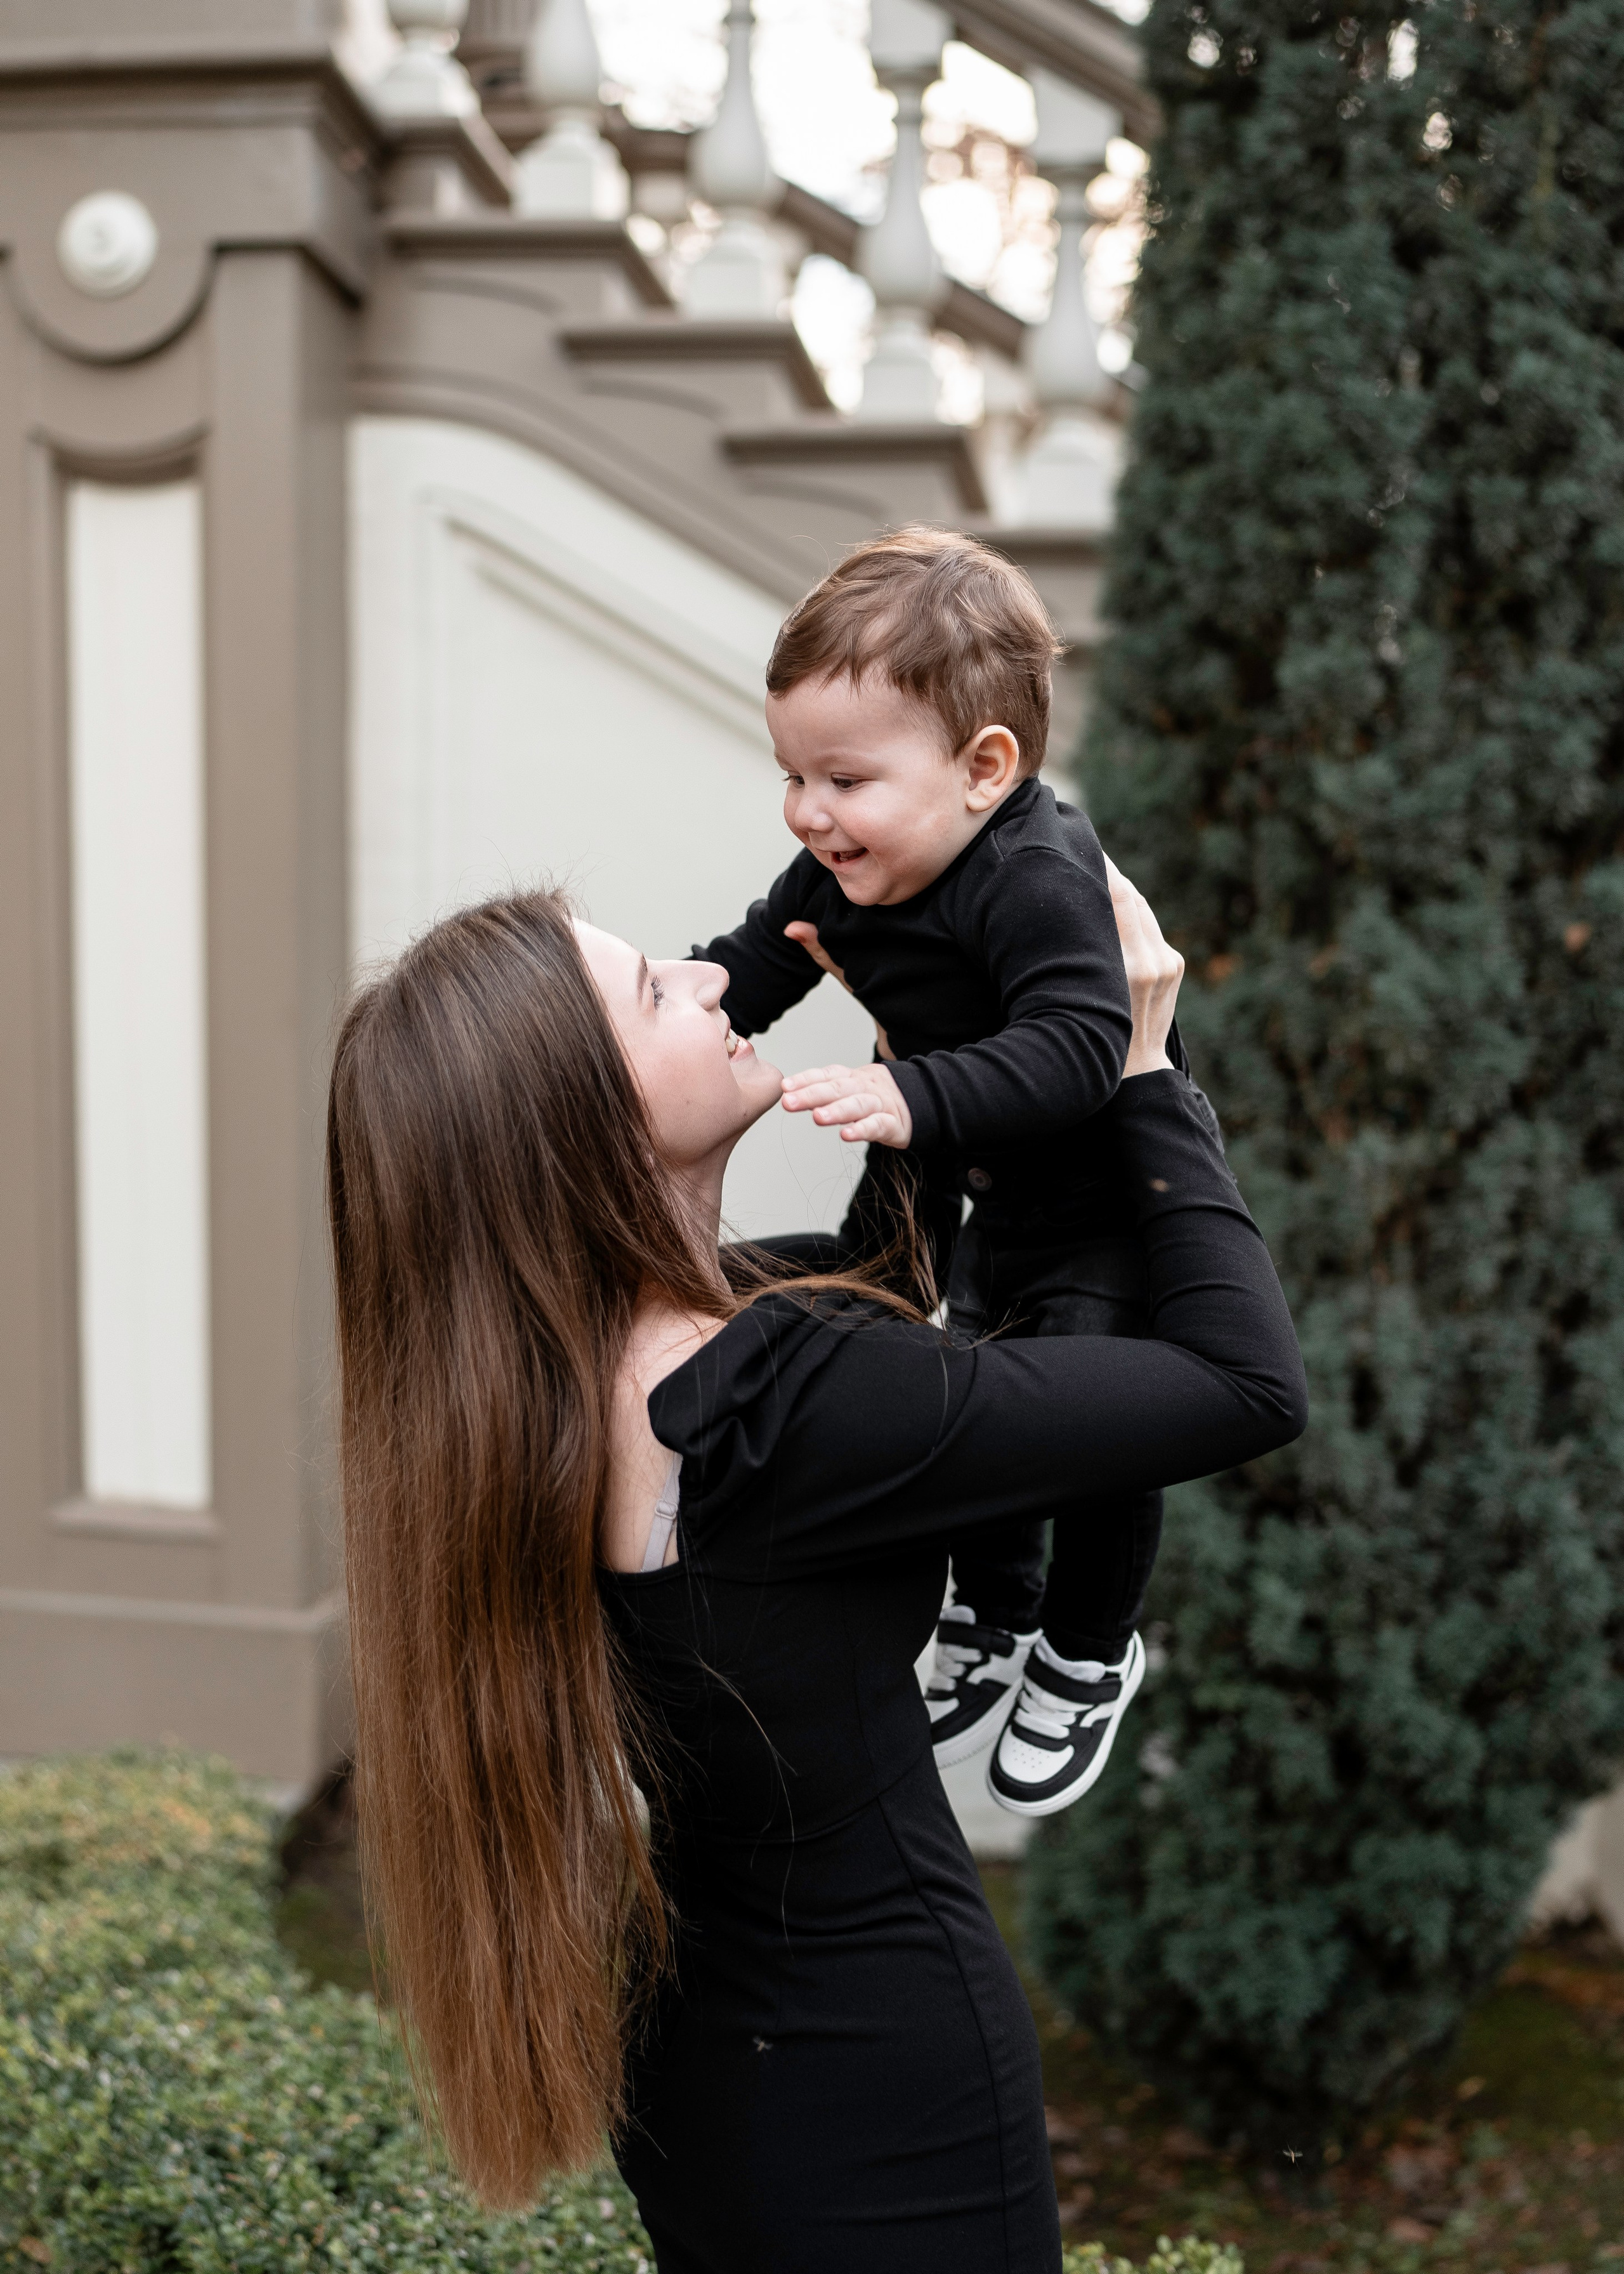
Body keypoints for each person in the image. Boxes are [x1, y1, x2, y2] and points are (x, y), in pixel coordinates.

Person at [325, 874, 1306, 2271]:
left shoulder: (568, 1387)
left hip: (715, 2045)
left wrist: (932, 1057)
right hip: (875, 2079)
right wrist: (1144, 1070)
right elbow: (1239, 1382)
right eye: (659, 992)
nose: (716, 979)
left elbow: (876, 1286)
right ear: (580, 1129)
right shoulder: (773, 1404)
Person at [695, 525, 1217, 1816]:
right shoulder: (842, 867)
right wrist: (662, 1007)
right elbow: (754, 964)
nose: (807, 813)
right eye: (790, 775)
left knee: (1092, 1431)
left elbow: (1085, 1048)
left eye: (843, 779)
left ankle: (1085, 1651)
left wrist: (909, 1091)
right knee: (973, 1387)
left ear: (985, 768)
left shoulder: (1038, 880)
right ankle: (992, 1616)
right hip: (999, 1195)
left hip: (1109, 1209)